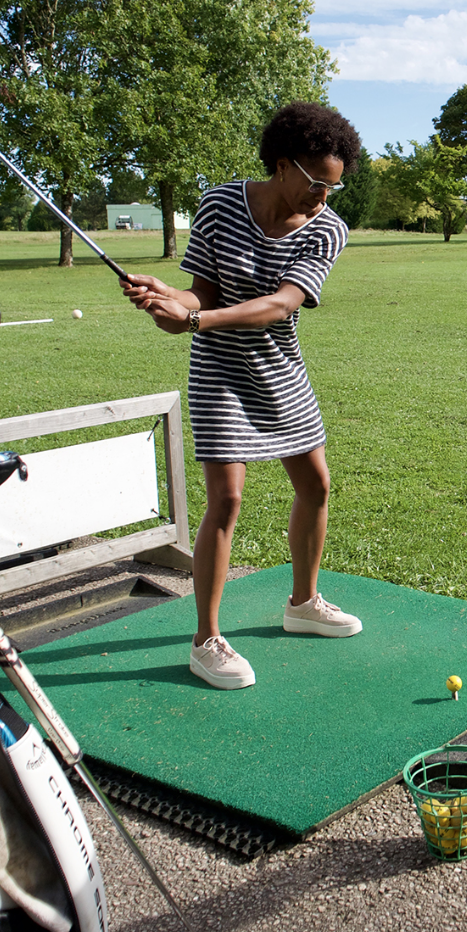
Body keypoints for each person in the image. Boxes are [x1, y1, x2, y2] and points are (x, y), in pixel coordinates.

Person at [122, 102, 363, 690]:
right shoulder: (220, 204)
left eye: (333, 188)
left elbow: (281, 305)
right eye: (316, 185)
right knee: (226, 500)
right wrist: (167, 302)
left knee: (316, 484)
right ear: (282, 166)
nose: (323, 199)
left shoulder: (329, 229)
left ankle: (303, 604)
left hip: (279, 367)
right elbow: (198, 292)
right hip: (220, 374)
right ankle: (206, 641)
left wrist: (197, 318)